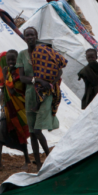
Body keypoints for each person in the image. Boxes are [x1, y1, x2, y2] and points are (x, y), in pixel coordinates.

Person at [21, 27, 66, 170]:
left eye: (32, 35)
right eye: (27, 35)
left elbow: (59, 69)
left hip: (44, 94)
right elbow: (22, 78)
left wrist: (51, 82)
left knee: (37, 129)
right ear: (24, 37)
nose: (30, 37)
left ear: (36, 36)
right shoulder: (22, 55)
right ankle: (40, 163)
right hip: (30, 95)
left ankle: (48, 157)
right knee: (32, 131)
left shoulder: (45, 51)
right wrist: (38, 80)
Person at [0, 50, 30, 171]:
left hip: (19, 110)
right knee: (1, 132)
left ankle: (27, 160)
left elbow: (13, 91)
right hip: (7, 110)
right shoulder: (6, 75)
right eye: (8, 60)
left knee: (20, 133)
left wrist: (6, 77)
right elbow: (3, 93)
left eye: (13, 60)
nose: (10, 62)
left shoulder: (18, 74)